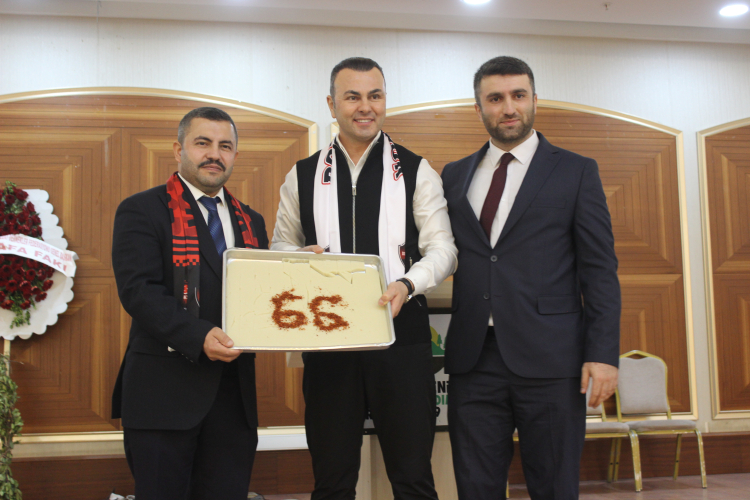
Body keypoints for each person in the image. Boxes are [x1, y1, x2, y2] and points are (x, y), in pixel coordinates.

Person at [272, 57, 457, 500]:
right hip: (328, 343)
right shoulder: (302, 175)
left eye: (375, 95)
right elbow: (280, 246)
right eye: (352, 96)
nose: (365, 107)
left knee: (413, 478)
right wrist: (296, 259)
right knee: (332, 481)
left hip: (402, 340)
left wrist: (407, 284)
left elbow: (444, 251)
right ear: (331, 104)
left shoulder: (417, 170)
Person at [441, 56, 621, 500]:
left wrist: (603, 354)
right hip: (473, 360)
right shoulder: (454, 175)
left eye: (518, 95)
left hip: (552, 362)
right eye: (495, 98)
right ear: (478, 108)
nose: (508, 108)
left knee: (554, 486)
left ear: (534, 100)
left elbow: (599, 271)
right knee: (475, 487)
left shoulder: (576, 171)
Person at [111, 107, 268, 500]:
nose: (214, 154)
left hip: (233, 403)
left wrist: (298, 271)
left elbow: (259, 295)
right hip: (163, 398)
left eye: (225, 146)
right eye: (203, 143)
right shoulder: (142, 209)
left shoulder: (252, 222)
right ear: (178, 149)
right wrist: (199, 336)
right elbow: (139, 291)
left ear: (235, 155)